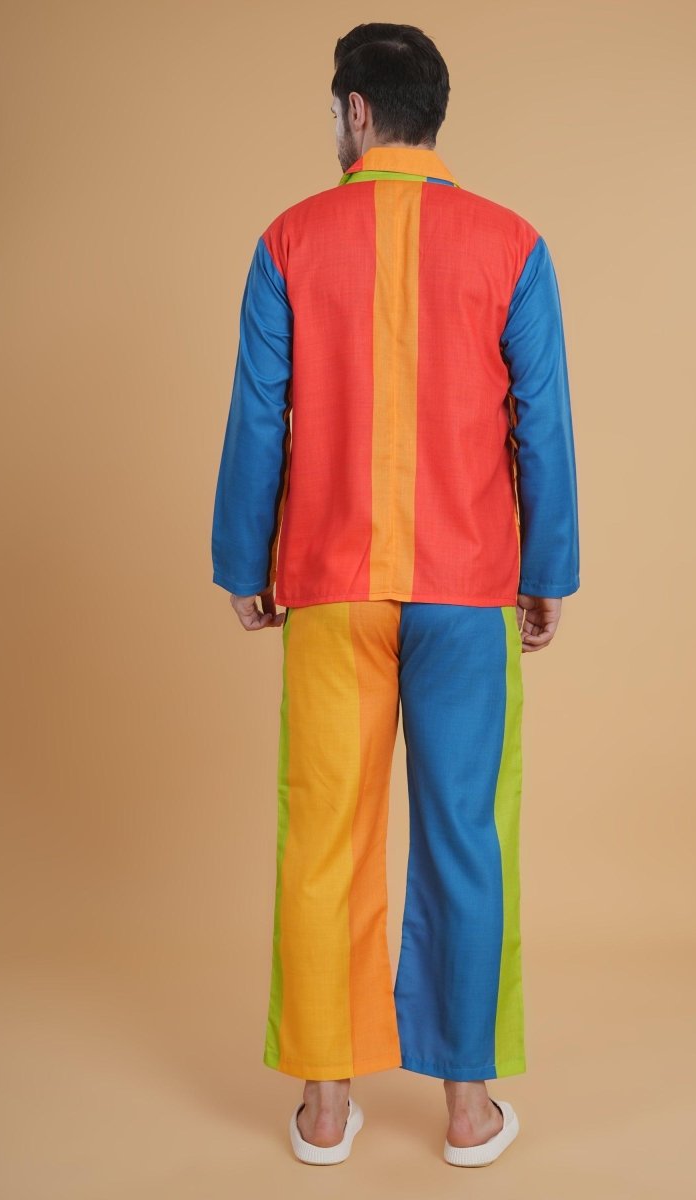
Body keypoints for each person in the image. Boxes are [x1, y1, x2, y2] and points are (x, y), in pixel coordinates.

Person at [211, 22, 579, 1167]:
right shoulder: (513, 244)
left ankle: (325, 1110)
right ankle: (466, 1112)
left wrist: (245, 561)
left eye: (334, 109)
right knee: (465, 833)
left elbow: (258, 414)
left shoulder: (287, 240)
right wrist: (545, 572)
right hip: (465, 590)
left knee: (324, 834)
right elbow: (542, 424)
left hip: (330, 587)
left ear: (357, 112)